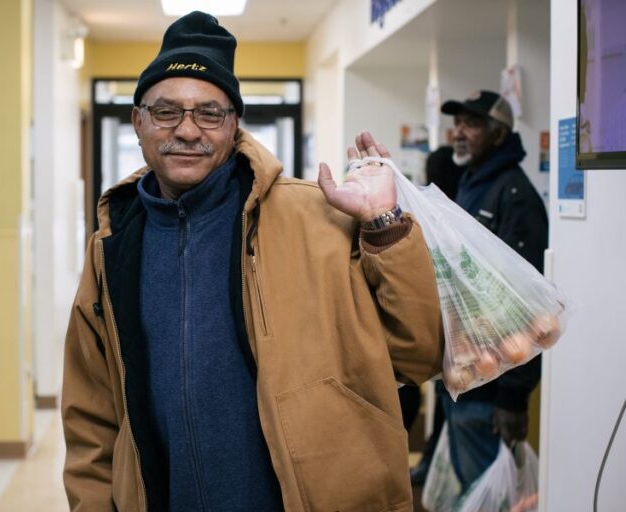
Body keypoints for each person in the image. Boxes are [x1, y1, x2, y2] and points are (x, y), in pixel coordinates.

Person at [61, 10, 444, 512]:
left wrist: (386, 226)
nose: (188, 130)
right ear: (138, 122)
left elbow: (419, 354)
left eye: (209, 113)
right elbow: (92, 414)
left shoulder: (318, 217)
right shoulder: (113, 246)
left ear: (234, 123)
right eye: (166, 111)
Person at [435, 90, 548, 492]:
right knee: (473, 488)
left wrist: (513, 397)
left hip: (492, 386)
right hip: (464, 372)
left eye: (472, 124)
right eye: (457, 123)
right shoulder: (473, 182)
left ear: (499, 135)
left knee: (489, 491)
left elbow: (527, 307)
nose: (459, 133)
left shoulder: (514, 196)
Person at [406, 144, 465, 486]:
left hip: (456, 354)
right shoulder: (442, 217)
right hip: (447, 353)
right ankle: (429, 467)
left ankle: (429, 468)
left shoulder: (444, 219)